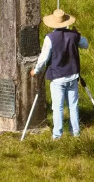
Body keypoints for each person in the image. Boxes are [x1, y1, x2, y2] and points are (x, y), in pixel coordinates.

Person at [30, 9, 88, 140]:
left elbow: (44, 58)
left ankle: (57, 135)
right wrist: (77, 34)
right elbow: (85, 44)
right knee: (73, 106)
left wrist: (36, 71)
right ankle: (76, 133)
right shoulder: (74, 36)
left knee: (58, 108)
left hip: (57, 78)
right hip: (73, 76)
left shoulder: (50, 38)